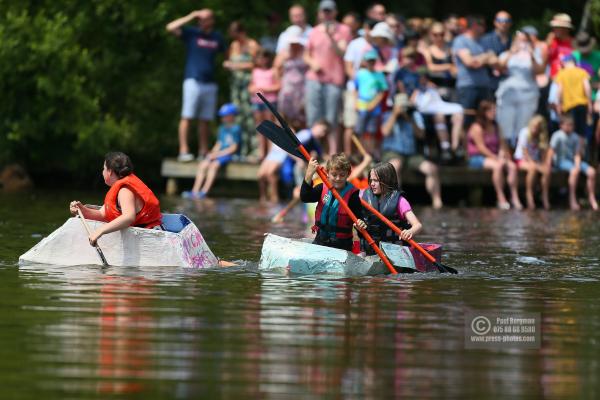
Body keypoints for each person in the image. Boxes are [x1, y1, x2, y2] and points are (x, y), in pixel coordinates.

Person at [166, 9, 226, 162]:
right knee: (187, 116)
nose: (202, 21)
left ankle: (203, 151)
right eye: (200, 19)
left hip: (210, 83)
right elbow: (170, 27)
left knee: (205, 119)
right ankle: (184, 150)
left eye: (205, 18)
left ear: (212, 20)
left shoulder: (217, 37)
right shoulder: (192, 33)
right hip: (192, 80)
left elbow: (226, 54)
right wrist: (192, 15)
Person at [69, 152, 162, 245]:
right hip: (138, 237)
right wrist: (82, 210)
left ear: (109, 172)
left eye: (103, 169)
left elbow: (129, 217)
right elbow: (101, 214)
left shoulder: (125, 191)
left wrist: (100, 230)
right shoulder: (119, 189)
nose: (102, 172)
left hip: (150, 238)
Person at [304, 0, 352, 154]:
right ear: (319, 13)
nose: (327, 14)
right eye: (324, 11)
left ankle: (332, 156)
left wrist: (331, 37)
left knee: (332, 120)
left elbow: (343, 53)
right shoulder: (313, 31)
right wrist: (312, 63)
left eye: (329, 11)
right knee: (313, 118)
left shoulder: (344, 30)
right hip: (314, 79)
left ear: (335, 12)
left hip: (334, 80)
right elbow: (306, 55)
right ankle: (313, 154)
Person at [381, 93, 443, 209]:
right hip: (392, 152)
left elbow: (421, 135)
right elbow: (384, 132)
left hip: (411, 155)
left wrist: (410, 119)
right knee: (395, 165)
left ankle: (437, 201)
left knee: (432, 168)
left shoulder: (414, 116)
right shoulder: (388, 115)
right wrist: (395, 115)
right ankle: (396, 202)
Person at [300, 153, 367, 251]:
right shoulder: (321, 188)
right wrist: (309, 174)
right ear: (327, 173)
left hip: (342, 246)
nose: (338, 178)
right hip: (320, 241)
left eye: (342, 175)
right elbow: (305, 197)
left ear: (348, 174)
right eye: (334, 175)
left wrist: (361, 225)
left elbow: (361, 228)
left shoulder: (353, 196)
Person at [467, 100, 523, 210]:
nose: (494, 112)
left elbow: (502, 144)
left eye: (494, 110)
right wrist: (496, 158)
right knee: (498, 166)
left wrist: (502, 155)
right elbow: (481, 148)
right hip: (477, 157)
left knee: (512, 166)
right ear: (484, 112)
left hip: (495, 157)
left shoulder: (497, 127)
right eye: (491, 110)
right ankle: (500, 197)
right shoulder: (476, 127)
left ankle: (514, 197)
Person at [360, 162, 423, 255]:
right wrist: (358, 224)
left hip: (394, 254)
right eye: (371, 180)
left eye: (376, 181)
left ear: (387, 180)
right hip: (370, 251)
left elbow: (418, 225)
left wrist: (410, 232)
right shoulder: (362, 196)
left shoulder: (400, 201)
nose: (372, 184)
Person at [495, 30, 544, 148]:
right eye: (519, 40)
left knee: (524, 124)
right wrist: (511, 53)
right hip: (509, 92)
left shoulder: (534, 56)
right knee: (505, 122)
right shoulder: (506, 54)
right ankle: (505, 150)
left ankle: (521, 151)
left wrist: (532, 55)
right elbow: (499, 67)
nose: (521, 43)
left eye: (524, 40)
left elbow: (539, 71)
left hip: (528, 93)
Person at [181, 104, 241, 199]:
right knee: (203, 165)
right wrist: (212, 153)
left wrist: (218, 154)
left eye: (225, 116)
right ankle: (195, 191)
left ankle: (204, 192)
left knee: (213, 166)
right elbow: (219, 143)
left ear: (232, 116)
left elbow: (233, 148)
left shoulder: (236, 129)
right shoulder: (222, 128)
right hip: (219, 154)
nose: (223, 118)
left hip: (229, 155)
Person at [223, 21, 259, 157]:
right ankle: (240, 150)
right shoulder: (234, 45)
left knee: (250, 117)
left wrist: (235, 66)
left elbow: (257, 64)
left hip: (248, 86)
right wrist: (228, 64)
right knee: (237, 117)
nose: (235, 39)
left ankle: (254, 149)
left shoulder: (252, 45)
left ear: (242, 32)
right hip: (236, 88)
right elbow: (231, 61)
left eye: (236, 35)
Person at [452, 15, 496, 126]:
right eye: (481, 25)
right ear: (474, 26)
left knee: (485, 118)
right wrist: (486, 57)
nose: (484, 27)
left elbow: (495, 61)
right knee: (467, 119)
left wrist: (479, 59)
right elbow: (470, 63)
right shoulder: (460, 41)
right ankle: (463, 143)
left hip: (484, 85)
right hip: (467, 86)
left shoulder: (483, 42)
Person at [550, 115, 598, 210]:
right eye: (567, 125)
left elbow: (577, 154)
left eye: (571, 125)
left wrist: (577, 165)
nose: (569, 127)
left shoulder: (575, 137)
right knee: (574, 171)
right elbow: (551, 152)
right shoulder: (557, 135)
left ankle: (591, 198)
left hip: (573, 161)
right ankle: (572, 198)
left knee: (592, 172)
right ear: (561, 125)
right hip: (561, 161)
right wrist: (548, 165)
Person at [513, 115, 552, 210]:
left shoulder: (542, 136)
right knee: (532, 168)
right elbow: (524, 150)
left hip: (535, 160)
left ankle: (544, 195)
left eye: (537, 127)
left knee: (547, 170)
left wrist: (544, 164)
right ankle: (529, 194)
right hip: (521, 159)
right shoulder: (525, 132)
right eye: (534, 126)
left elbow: (543, 152)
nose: (535, 129)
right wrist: (533, 163)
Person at [355, 50, 389, 154]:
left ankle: (369, 153)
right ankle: (360, 153)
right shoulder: (360, 73)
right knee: (359, 131)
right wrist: (355, 102)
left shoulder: (379, 75)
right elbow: (356, 88)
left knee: (371, 131)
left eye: (373, 61)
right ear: (365, 61)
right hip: (362, 105)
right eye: (369, 61)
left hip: (374, 107)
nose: (371, 63)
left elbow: (382, 92)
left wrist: (374, 104)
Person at [249, 49, 281, 160]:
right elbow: (251, 86)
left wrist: (265, 89)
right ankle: (261, 152)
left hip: (270, 102)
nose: (261, 60)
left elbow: (278, 86)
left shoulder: (273, 70)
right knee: (260, 127)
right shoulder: (255, 71)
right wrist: (253, 89)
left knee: (270, 126)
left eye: (264, 57)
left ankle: (271, 152)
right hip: (257, 102)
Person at [274, 26, 308, 129]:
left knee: (302, 118)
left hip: (302, 89)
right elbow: (275, 68)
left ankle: (303, 142)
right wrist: (279, 83)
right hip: (287, 88)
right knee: (283, 116)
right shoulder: (284, 52)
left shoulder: (305, 51)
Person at [555, 54, 592, 146]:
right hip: (582, 105)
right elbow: (587, 88)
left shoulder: (562, 73)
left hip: (568, 106)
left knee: (570, 130)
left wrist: (558, 104)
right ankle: (580, 154)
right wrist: (589, 103)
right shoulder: (582, 72)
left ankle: (572, 153)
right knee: (582, 131)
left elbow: (559, 91)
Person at [480, 10, 513, 90]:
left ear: (510, 23)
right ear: (495, 22)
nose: (503, 23)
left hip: (509, 84)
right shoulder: (486, 39)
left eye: (506, 21)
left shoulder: (513, 40)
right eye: (500, 20)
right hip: (490, 84)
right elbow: (493, 62)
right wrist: (511, 53)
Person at [547, 13, 574, 79]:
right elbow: (545, 60)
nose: (554, 29)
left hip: (569, 79)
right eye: (554, 27)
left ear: (566, 29)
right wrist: (547, 45)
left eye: (557, 27)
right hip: (554, 79)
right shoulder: (551, 41)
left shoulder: (574, 43)